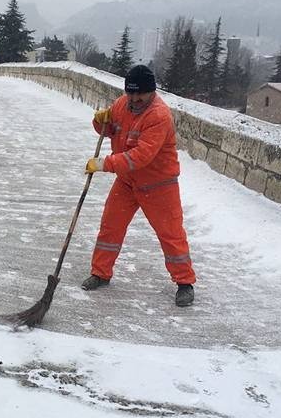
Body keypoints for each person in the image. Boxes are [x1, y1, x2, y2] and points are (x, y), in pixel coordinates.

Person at [81, 64, 196, 307]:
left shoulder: (159, 116)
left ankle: (184, 282)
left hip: (158, 184)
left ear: (151, 92)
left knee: (171, 234)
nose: (134, 99)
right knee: (110, 226)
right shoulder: (122, 104)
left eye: (139, 95)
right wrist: (100, 121)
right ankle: (100, 273)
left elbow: (140, 156)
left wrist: (104, 164)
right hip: (127, 181)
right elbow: (110, 130)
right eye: (130, 93)